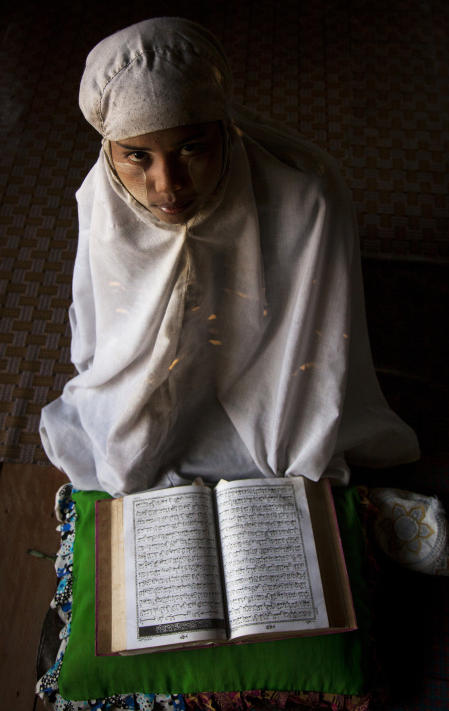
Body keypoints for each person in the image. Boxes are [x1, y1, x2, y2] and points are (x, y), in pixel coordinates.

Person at [39, 17, 419, 498]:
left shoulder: (306, 201)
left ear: (224, 130)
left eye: (192, 147)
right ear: (109, 149)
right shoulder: (105, 198)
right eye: (138, 156)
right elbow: (106, 317)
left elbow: (311, 343)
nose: (168, 185)